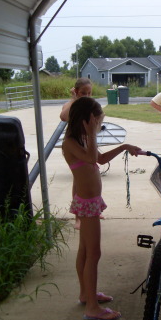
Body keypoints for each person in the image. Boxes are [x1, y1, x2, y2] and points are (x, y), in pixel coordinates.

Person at [62, 97, 141, 320]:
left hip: (91, 201)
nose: (99, 124)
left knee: (86, 252)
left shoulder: (84, 138)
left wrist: (125, 146)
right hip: (87, 205)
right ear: (87, 119)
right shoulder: (70, 141)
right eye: (97, 120)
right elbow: (89, 157)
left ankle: (86, 295)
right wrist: (93, 134)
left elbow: (101, 158)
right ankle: (92, 308)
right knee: (93, 253)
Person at [60, 78, 95, 229]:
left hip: (87, 144)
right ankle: (78, 217)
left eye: (89, 93)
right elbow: (64, 116)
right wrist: (75, 99)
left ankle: (93, 210)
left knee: (92, 179)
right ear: (76, 92)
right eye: (82, 93)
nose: (86, 96)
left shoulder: (89, 104)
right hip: (74, 146)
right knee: (78, 181)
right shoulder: (71, 104)